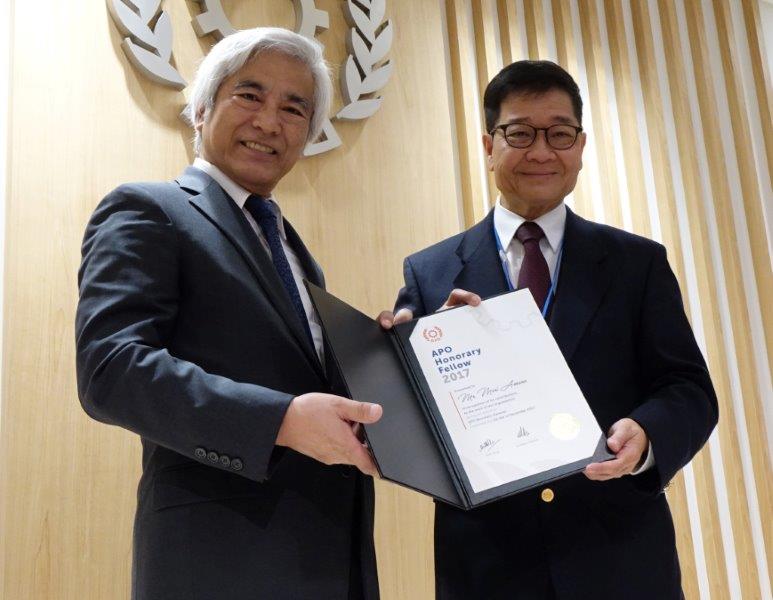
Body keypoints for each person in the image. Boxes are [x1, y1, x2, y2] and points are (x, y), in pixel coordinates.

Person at [380, 60, 717, 599]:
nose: (541, 151)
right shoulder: (431, 272)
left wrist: (649, 434)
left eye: (560, 134)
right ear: (489, 145)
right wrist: (400, 359)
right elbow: (405, 425)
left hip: (621, 558)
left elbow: (689, 390)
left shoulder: (637, 263)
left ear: (580, 147)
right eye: (519, 133)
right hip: (488, 565)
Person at [76, 27, 382, 600]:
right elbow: (110, 371)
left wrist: (431, 346)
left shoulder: (292, 251)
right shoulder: (148, 208)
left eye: (295, 108)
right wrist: (280, 421)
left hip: (328, 559)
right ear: (200, 108)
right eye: (250, 95)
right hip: (218, 560)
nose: (270, 122)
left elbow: (312, 387)